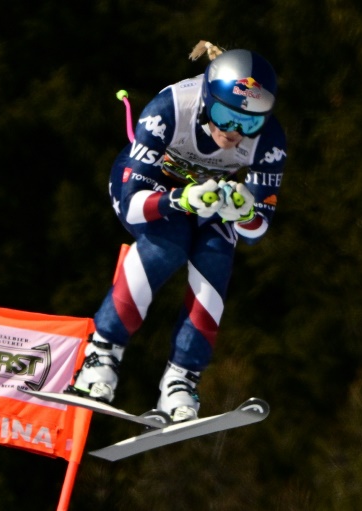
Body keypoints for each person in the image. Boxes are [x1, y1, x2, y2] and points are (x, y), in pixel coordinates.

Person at [66, 41, 288, 422]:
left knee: (216, 259)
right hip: (152, 188)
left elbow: (257, 229)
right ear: (205, 100)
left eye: (248, 122)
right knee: (166, 246)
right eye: (225, 115)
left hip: (212, 195)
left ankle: (181, 379)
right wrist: (179, 201)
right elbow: (134, 207)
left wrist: (244, 211)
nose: (234, 132)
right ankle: (101, 355)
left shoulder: (270, 141)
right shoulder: (170, 107)